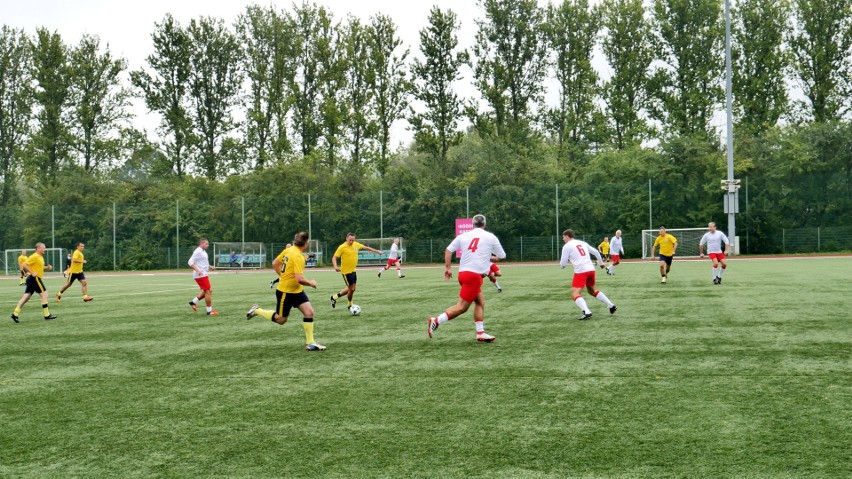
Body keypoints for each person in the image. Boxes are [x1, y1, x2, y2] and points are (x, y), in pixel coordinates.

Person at [427, 214, 506, 342]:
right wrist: (494, 258)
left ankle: (480, 332)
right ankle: (436, 321)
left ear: (472, 224)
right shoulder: (491, 237)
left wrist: (448, 268)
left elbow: (448, 250)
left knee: (480, 302)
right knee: (461, 308)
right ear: (485, 225)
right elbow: (502, 256)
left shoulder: (463, 236)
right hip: (474, 276)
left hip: (463, 274)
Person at [247, 232, 326, 351]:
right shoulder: (297, 256)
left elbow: (275, 263)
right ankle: (257, 310)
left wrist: (283, 275)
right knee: (281, 320)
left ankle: (310, 343)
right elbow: (299, 279)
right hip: (286, 292)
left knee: (309, 312)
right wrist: (311, 283)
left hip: (297, 291)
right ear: (306, 243)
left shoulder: (289, 250)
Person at [560, 229, 617, 320]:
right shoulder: (582, 243)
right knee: (592, 291)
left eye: (563, 237)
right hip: (591, 269)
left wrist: (563, 265)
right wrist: (601, 263)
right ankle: (611, 305)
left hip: (581, 271)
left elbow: (563, 264)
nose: (563, 239)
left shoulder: (567, 246)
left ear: (567, 236)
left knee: (575, 293)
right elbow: (595, 252)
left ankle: (587, 312)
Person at [330, 233, 384, 311]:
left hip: (353, 271)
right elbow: (334, 257)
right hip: (346, 272)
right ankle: (350, 305)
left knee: (352, 289)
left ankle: (334, 297)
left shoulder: (356, 244)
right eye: (350, 240)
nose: (351, 241)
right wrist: (335, 266)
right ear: (346, 238)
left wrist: (377, 251)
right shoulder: (342, 247)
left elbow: (366, 247)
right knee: (351, 289)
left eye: (353, 240)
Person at [11, 242, 57, 322]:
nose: (44, 249)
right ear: (38, 248)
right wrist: (32, 272)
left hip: (31, 279)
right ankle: (47, 315)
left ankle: (15, 313)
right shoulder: (34, 256)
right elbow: (24, 265)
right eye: (43, 248)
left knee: (26, 297)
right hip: (35, 279)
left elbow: (39, 267)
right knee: (45, 295)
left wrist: (47, 267)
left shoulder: (40, 257)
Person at [188, 238, 218, 316]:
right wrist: (198, 270)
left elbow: (202, 263)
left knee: (209, 290)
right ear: (201, 244)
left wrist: (210, 266)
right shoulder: (198, 251)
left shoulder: (203, 251)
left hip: (204, 274)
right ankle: (209, 311)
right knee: (208, 291)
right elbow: (190, 262)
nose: (207, 245)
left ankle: (193, 302)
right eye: (206, 244)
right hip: (200, 275)